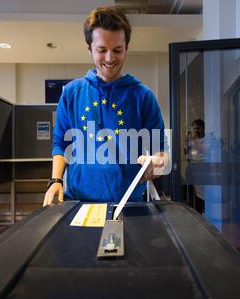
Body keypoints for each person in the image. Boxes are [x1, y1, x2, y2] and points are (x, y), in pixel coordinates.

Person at [43, 6, 167, 206]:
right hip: (78, 202)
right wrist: (56, 180)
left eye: (117, 50)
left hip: (129, 204)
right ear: (89, 48)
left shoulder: (143, 97)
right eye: (102, 50)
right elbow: (60, 143)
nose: (110, 59)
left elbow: (161, 151)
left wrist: (158, 163)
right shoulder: (72, 93)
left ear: (126, 47)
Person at [185, 119, 205, 213]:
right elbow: (187, 154)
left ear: (202, 129)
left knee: (201, 193)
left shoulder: (204, 140)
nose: (196, 131)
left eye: (198, 128)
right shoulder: (192, 141)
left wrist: (194, 142)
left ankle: (201, 211)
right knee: (192, 190)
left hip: (201, 168)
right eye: (194, 128)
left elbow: (203, 149)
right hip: (192, 166)